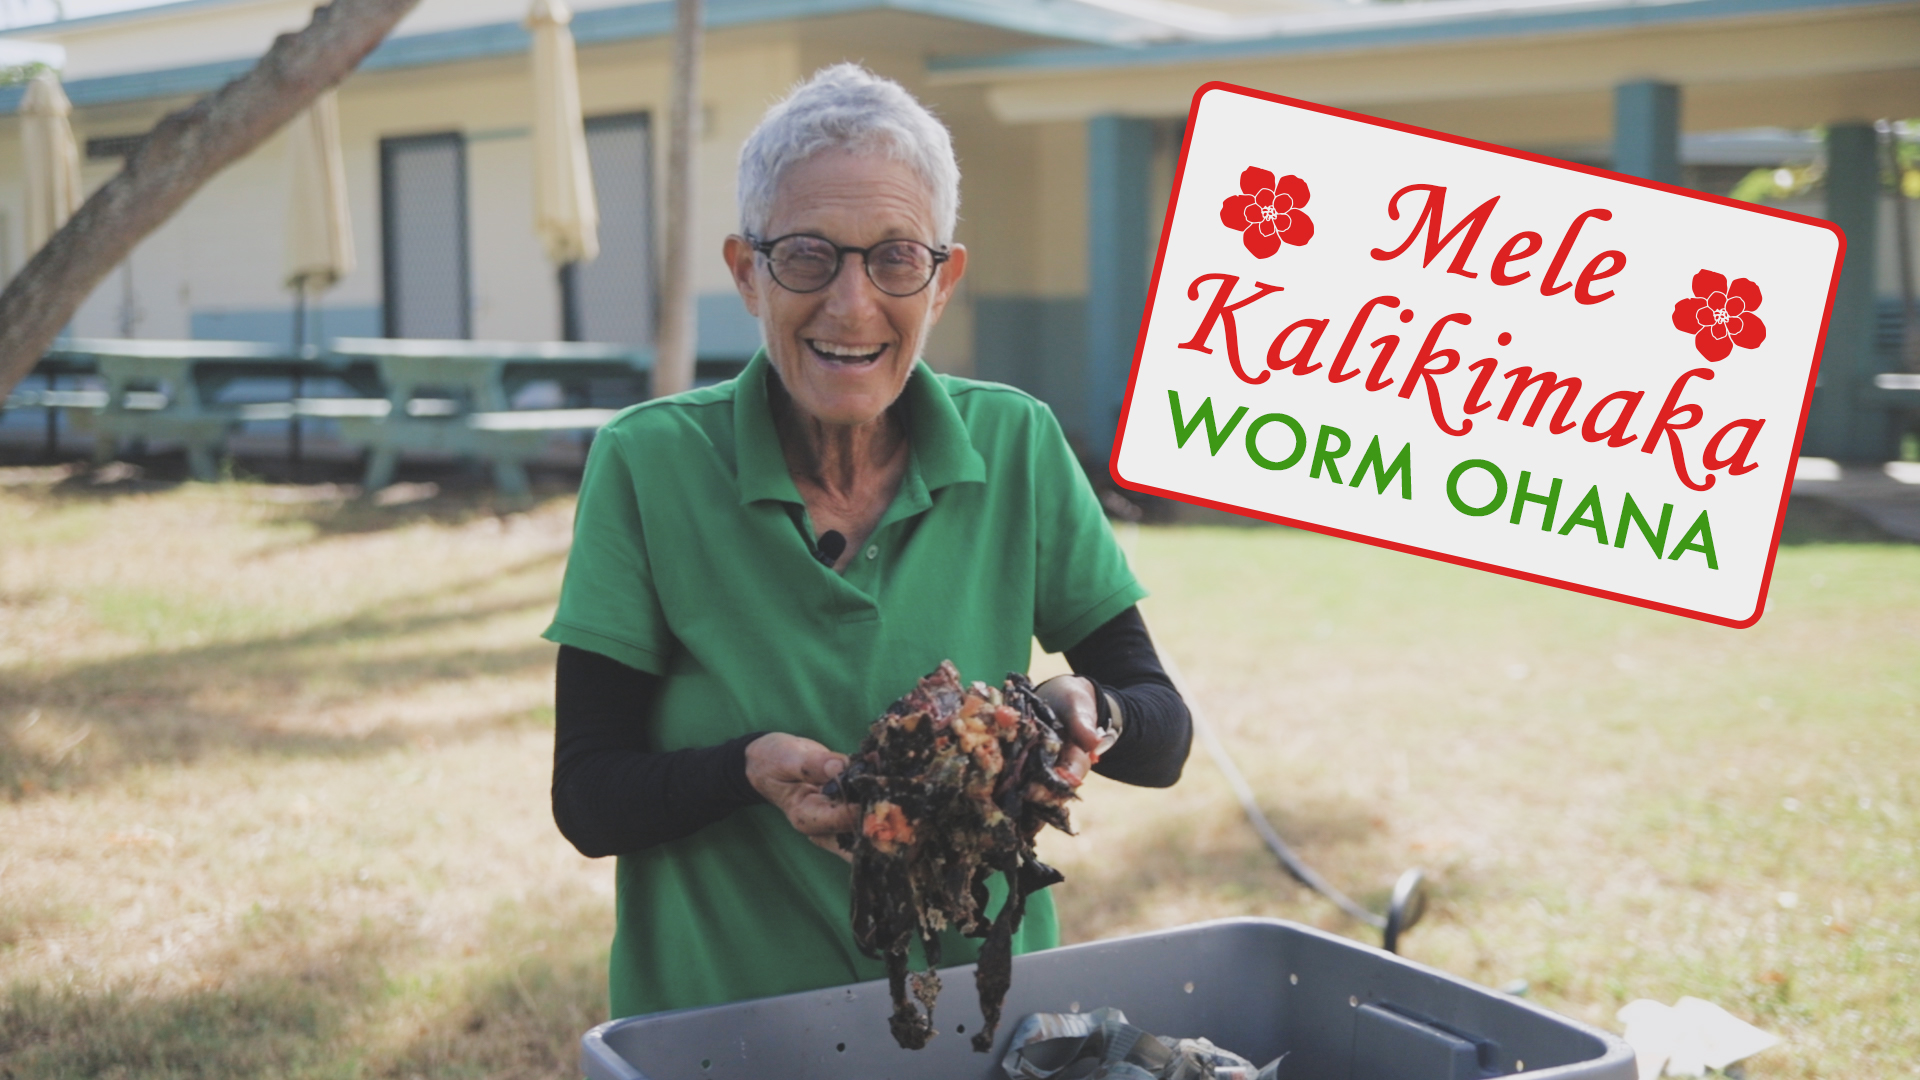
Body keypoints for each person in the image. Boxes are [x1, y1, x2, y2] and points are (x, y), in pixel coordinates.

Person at [544, 63, 1192, 1022]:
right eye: (807, 256)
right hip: (723, 1029)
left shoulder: (1015, 444)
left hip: (977, 1024)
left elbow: (1162, 731)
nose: (852, 306)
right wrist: (744, 770)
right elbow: (589, 799)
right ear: (745, 271)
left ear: (943, 281)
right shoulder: (650, 464)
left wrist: (1086, 709)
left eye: (895, 258)